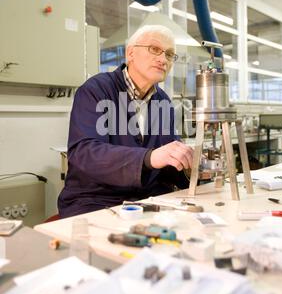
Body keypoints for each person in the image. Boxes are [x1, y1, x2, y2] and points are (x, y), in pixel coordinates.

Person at [58, 25, 194, 218]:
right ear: (131, 53)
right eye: (155, 49)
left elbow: (167, 163)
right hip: (95, 201)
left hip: (146, 201)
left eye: (170, 54)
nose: (163, 59)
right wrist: (149, 157)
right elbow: (85, 152)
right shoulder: (96, 90)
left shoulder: (163, 101)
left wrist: (190, 166)